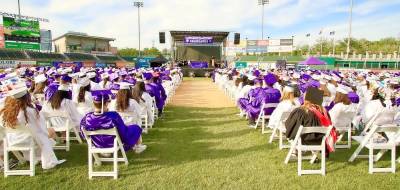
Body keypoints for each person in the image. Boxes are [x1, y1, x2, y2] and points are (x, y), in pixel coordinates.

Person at [0, 85, 65, 169]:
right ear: (26, 98)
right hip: (28, 140)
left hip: (12, 140)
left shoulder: (5, 113)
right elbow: (41, 128)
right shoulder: (30, 111)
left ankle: (34, 157)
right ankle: (40, 156)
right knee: (49, 131)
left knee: (39, 134)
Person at [80, 90, 147, 153]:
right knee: (135, 127)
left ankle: (104, 153)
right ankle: (138, 147)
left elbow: (83, 134)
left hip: (97, 144)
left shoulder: (87, 118)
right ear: (106, 103)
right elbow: (123, 132)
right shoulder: (113, 116)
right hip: (113, 143)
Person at [285, 87, 337, 153]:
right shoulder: (324, 112)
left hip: (304, 140)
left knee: (292, 132)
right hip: (320, 141)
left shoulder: (300, 111)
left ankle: (296, 150)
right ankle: (312, 152)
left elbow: (290, 126)